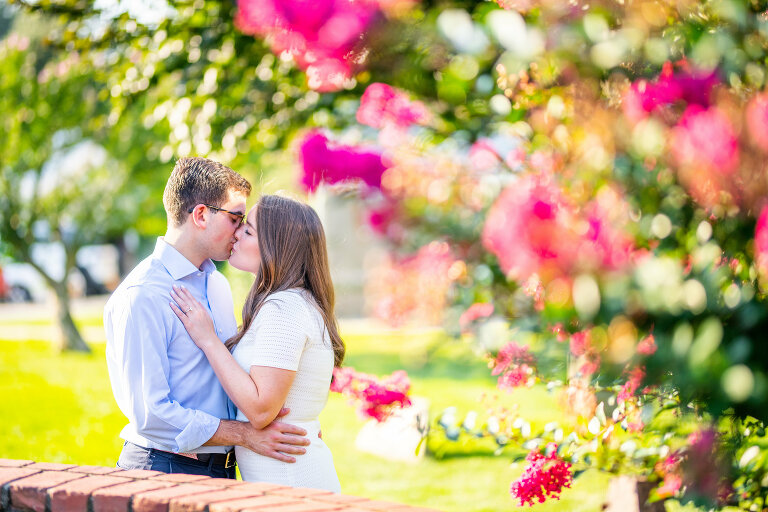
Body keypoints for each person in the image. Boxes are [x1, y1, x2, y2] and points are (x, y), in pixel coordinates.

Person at [104, 158, 310, 479]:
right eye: (236, 217)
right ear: (201, 215)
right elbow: (151, 414)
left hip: (223, 470)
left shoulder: (217, 284)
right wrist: (243, 434)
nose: (242, 230)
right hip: (164, 469)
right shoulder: (143, 294)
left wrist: (292, 425)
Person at [169, 194, 344, 492]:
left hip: (293, 488)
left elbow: (261, 411)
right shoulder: (289, 303)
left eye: (247, 230)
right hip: (286, 483)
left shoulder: (285, 308)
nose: (236, 233)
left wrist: (209, 340)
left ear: (277, 247)